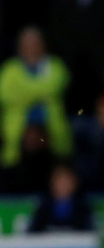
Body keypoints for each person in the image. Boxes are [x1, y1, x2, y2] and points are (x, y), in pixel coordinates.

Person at [0, 25, 73, 182]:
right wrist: (42, 91)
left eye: (35, 44)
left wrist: (23, 91)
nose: (31, 48)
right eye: (27, 45)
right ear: (20, 47)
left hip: (53, 140)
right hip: (16, 143)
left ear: (43, 45)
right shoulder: (9, 70)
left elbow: (56, 85)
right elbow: (6, 94)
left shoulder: (55, 66)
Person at [28, 158, 94, 233]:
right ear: (51, 183)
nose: (63, 185)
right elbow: (31, 234)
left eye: (66, 180)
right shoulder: (43, 208)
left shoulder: (83, 208)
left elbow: (90, 234)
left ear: (75, 183)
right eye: (59, 180)